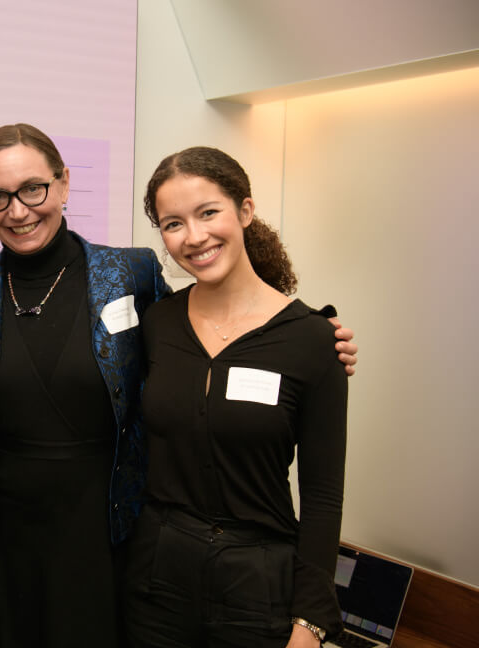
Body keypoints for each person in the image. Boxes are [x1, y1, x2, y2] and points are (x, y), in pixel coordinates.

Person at [0, 124, 358, 647]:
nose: (19, 210)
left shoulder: (129, 273)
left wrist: (304, 335)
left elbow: (207, 329)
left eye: (34, 188)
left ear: (64, 184)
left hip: (108, 534)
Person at [123, 146, 348, 648]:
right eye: (173, 223)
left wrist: (309, 624)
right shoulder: (157, 324)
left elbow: (322, 497)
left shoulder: (313, 340)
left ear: (245, 211)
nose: (194, 236)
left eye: (208, 213)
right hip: (155, 586)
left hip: (258, 590)